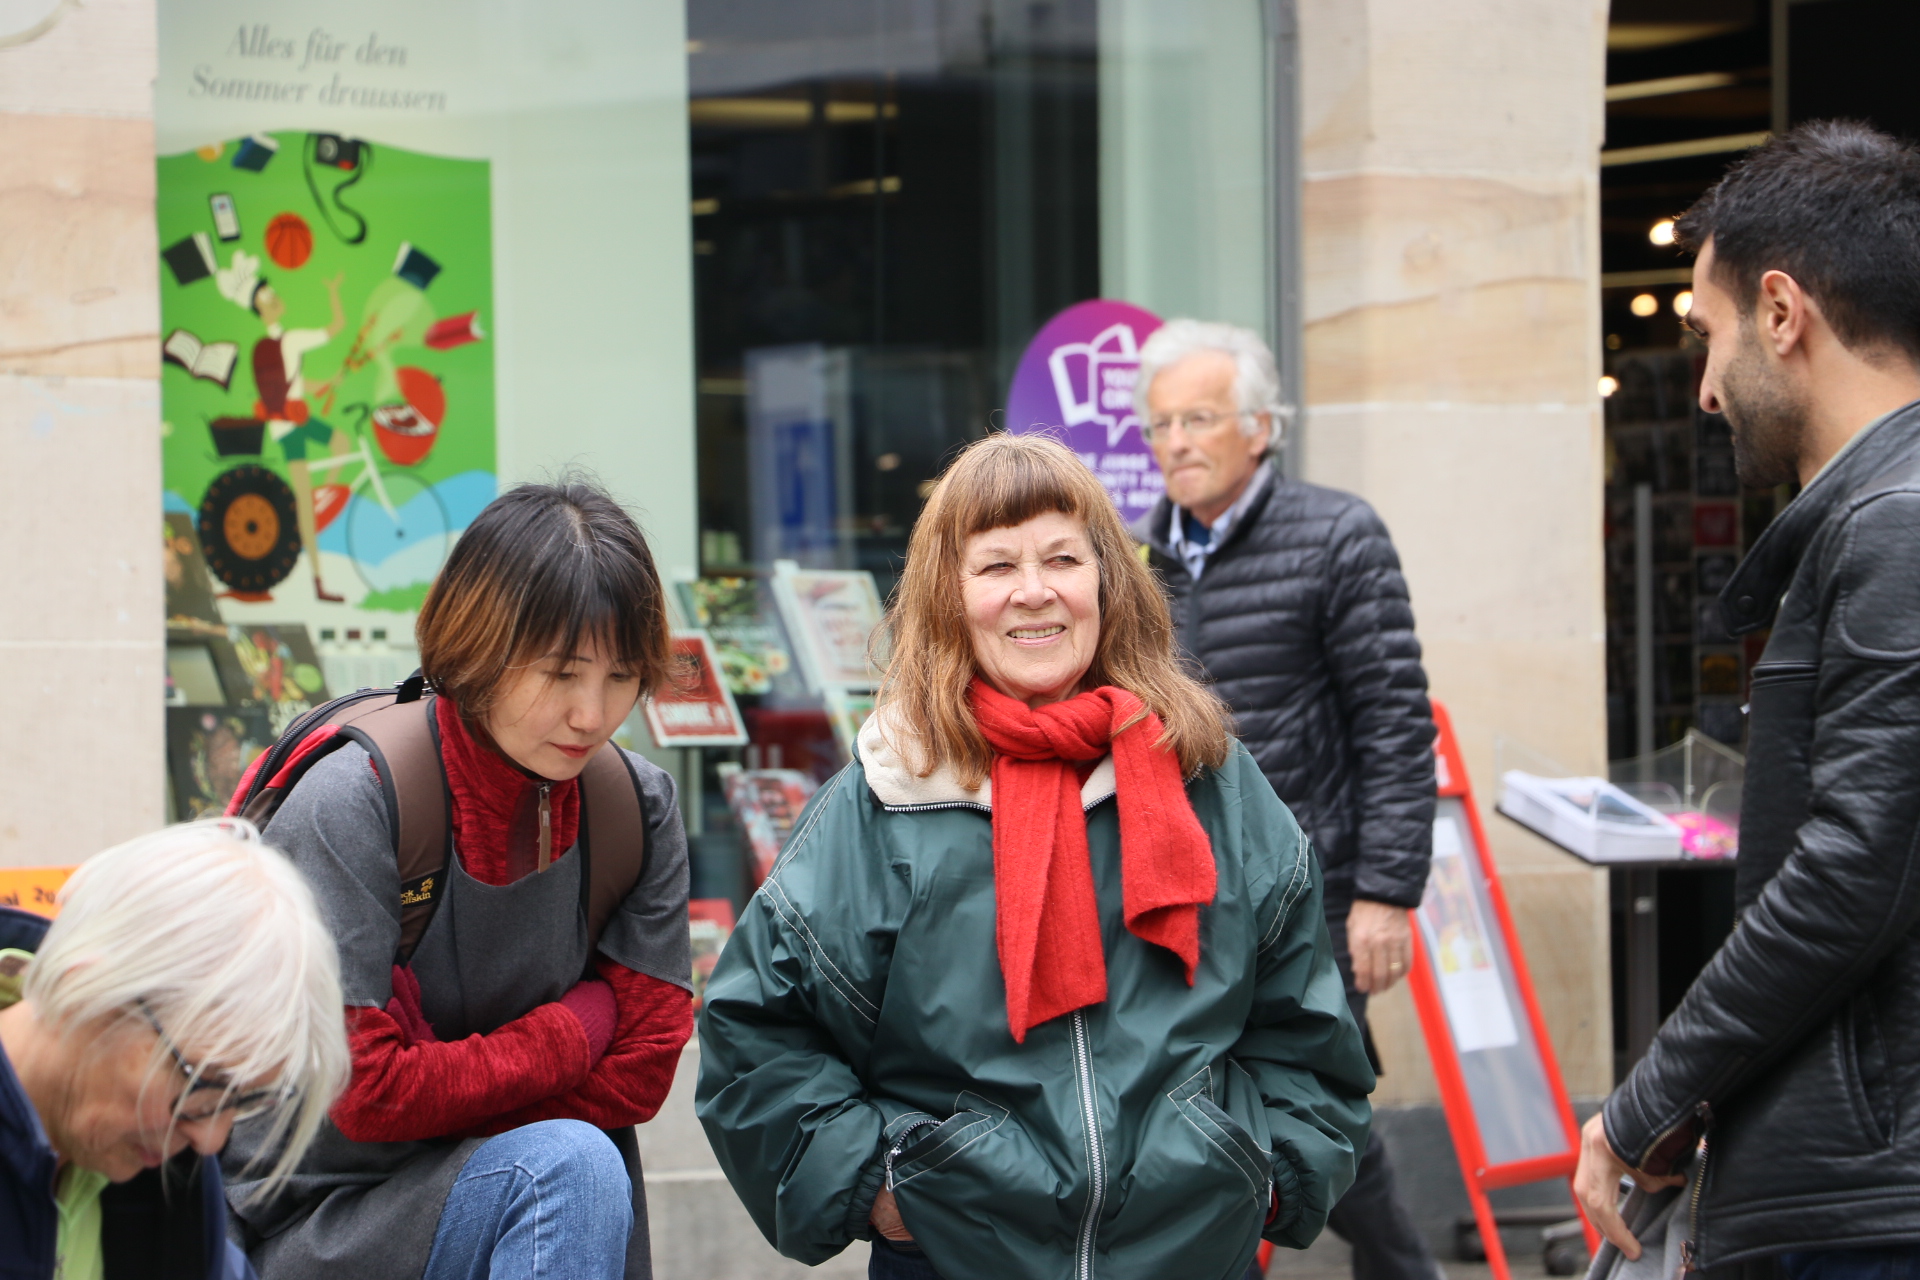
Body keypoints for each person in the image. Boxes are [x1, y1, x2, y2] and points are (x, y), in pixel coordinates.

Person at [696, 433, 1374, 1280]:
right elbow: (755, 1034)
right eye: (995, 566)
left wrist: (1264, 1175)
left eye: (1062, 557)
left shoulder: (1210, 779)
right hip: (951, 1261)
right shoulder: (888, 793)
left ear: (1106, 580)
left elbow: (1307, 1024)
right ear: (950, 595)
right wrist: (882, 1188)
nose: (1035, 592)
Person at [1572, 122, 1920, 1280]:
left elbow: (1849, 874)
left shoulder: (1895, 518)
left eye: (1708, 335)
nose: (1708, 389)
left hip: (1870, 1199)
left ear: (1784, 313)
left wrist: (1647, 1099)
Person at [223, 481, 695, 1280]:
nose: (592, 713)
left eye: (620, 678)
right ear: (479, 643)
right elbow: (363, 1092)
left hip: (528, 1190)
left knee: (571, 1163)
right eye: (561, 673)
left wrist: (434, 1073)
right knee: (570, 1163)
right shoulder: (357, 801)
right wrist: (577, 1029)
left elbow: (646, 1067)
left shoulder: (636, 805)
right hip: (327, 1216)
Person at [1130, 319, 1439, 1280]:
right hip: (1187, 889)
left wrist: (1387, 893)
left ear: (1261, 428)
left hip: (1315, 886)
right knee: (1213, 1098)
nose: (1176, 441)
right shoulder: (1141, 560)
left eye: (1199, 418)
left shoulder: (1339, 534)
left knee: (1318, 1096)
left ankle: (1402, 1268)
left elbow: (1396, 722)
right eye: (1160, 423)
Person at [0, 819, 350, 1280]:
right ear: (85, 993)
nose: (212, 1139)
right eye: (200, 1084)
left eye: (243, 1103)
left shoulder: (164, 1173)